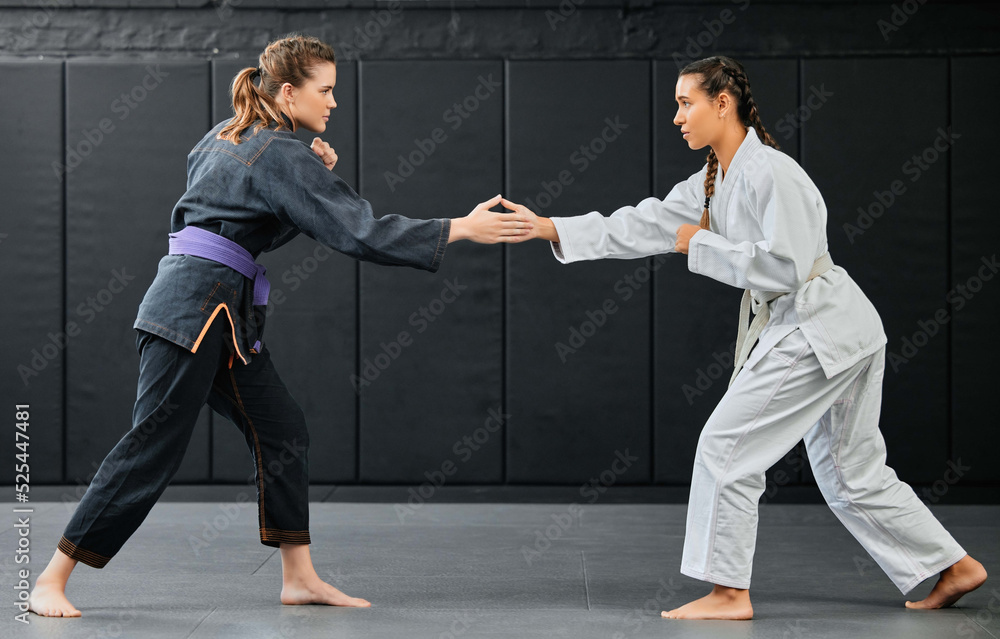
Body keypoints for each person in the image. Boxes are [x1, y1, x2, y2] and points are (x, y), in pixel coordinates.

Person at [27, 33, 533, 618]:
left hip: (218, 312)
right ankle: (51, 577)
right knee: (153, 442)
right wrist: (458, 228)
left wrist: (302, 172)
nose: (334, 103)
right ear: (289, 93)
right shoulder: (278, 152)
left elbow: (242, 223)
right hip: (195, 310)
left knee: (282, 430)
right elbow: (357, 230)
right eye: (327, 91)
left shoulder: (228, 134)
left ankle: (299, 576)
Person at [501, 55, 987, 620]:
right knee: (851, 472)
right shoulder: (713, 179)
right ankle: (955, 567)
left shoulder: (772, 172)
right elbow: (644, 223)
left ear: (723, 102)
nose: (678, 117)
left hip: (816, 323)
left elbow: (787, 267)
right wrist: (549, 227)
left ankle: (729, 592)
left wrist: (696, 245)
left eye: (687, 103)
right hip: (833, 329)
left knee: (726, 448)